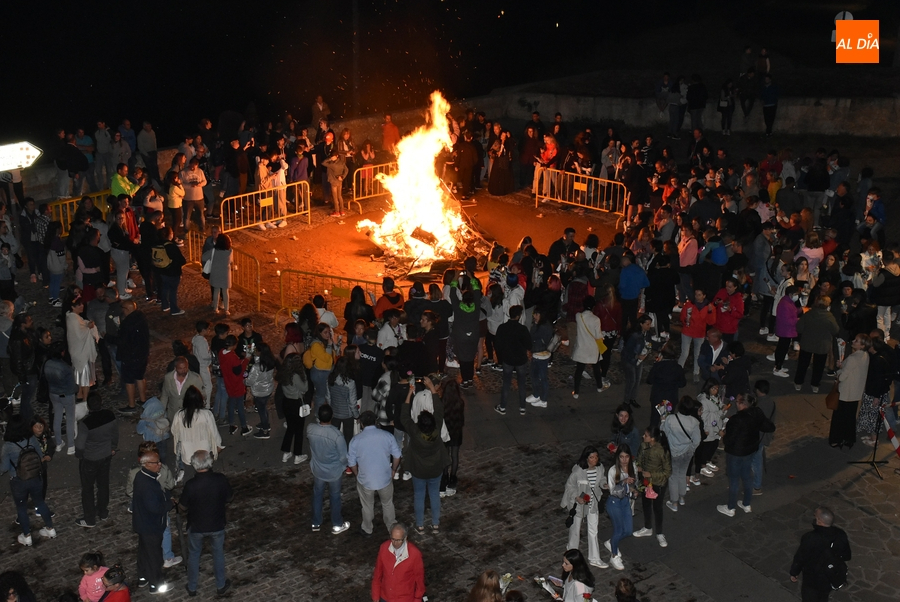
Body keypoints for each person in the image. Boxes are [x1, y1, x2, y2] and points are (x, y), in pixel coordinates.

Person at [179, 450, 233, 597]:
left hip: (196, 526)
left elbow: (183, 507)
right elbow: (229, 498)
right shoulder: (220, 479)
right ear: (210, 462)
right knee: (218, 553)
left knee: (194, 555)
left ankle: (192, 587)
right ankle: (221, 585)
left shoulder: (191, 485)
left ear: (194, 465)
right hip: (216, 524)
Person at [401, 376, 449, 534]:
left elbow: (404, 417)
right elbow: (439, 409)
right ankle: (435, 524)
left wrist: (409, 393)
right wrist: (433, 388)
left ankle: (420, 525)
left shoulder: (415, 433)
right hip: (435, 469)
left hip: (419, 470)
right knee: (434, 494)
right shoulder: (436, 429)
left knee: (419, 495)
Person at [0, 415, 56, 546]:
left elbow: (3, 467)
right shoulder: (31, 439)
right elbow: (40, 455)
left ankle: (27, 536)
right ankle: (50, 529)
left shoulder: (8, 446)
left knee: (21, 507)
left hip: (18, 480)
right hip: (35, 477)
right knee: (40, 502)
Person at [717, 394, 775, 517]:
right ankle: (746, 504)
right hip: (750, 450)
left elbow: (729, 440)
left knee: (734, 480)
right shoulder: (757, 412)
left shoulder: (736, 420)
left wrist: (723, 434)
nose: (736, 404)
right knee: (747, 476)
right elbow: (769, 427)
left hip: (736, 453)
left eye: (737, 401)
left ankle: (731, 507)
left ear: (742, 403)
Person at [349, 410, 401, 536]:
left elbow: (351, 463)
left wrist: (357, 474)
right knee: (387, 503)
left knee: (367, 506)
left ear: (361, 424)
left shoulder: (355, 440)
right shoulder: (387, 436)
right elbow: (397, 456)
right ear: (376, 421)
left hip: (365, 480)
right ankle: (391, 526)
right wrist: (393, 469)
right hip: (385, 478)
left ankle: (367, 528)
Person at [132, 449, 173, 594]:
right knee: (155, 556)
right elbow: (154, 508)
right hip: (151, 526)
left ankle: (143, 577)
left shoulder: (140, 476)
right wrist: (169, 504)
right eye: (156, 462)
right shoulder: (148, 484)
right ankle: (156, 584)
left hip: (142, 523)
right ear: (147, 464)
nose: (159, 464)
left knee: (144, 552)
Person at [789, 506, 852, 602]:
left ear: (819, 521)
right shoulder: (840, 534)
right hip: (829, 576)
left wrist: (794, 572)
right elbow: (847, 556)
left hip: (812, 578)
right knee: (823, 597)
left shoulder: (810, 538)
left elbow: (800, 557)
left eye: (816, 516)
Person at [74, 392, 117, 528]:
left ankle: (89, 519)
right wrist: (113, 447)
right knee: (103, 485)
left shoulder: (85, 423)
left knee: (87, 489)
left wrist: (80, 455)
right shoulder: (110, 416)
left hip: (90, 459)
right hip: (106, 455)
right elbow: (115, 434)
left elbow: (80, 445)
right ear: (101, 402)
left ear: (88, 406)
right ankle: (103, 512)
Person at [561, 446, 607, 569]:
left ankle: (594, 558)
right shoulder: (578, 471)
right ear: (586, 458)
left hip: (593, 503)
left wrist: (604, 484)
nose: (595, 459)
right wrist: (577, 496)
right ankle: (571, 553)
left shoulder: (600, 468)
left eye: (596, 457)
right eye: (592, 457)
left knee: (593, 529)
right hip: (579, 505)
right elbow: (570, 486)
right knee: (575, 530)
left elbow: (601, 479)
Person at [307, 404, 350, 533]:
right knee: (335, 496)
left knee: (317, 495)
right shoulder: (337, 435)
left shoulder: (310, 429)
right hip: (334, 472)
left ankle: (316, 522)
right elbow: (343, 457)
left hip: (318, 470)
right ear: (331, 416)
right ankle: (337, 523)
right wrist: (343, 466)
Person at [171, 386, 222, 483]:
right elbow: (214, 432)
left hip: (187, 451)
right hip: (204, 451)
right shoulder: (206, 414)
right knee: (206, 475)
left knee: (190, 477)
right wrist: (219, 445)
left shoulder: (179, 415)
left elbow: (174, 431)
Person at [660, 397, 702, 512]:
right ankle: (682, 497)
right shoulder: (694, 422)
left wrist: (663, 421)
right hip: (687, 452)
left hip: (673, 452)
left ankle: (674, 502)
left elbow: (664, 432)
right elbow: (697, 440)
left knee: (673, 477)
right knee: (682, 474)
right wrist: (691, 449)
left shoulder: (671, 419)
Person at [828, 334, 870, 448]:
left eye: (857, 340)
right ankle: (849, 439)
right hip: (855, 393)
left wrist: (839, 371)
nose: (853, 341)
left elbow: (842, 377)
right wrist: (843, 366)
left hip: (846, 392)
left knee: (839, 417)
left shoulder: (852, 358)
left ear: (862, 345)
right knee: (850, 417)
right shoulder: (865, 356)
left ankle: (836, 439)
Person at [794, 296, 840, 393]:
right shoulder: (829, 317)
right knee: (818, 366)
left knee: (803, 364)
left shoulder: (808, 314)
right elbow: (835, 330)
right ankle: (815, 384)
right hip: (822, 346)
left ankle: (798, 382)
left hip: (807, 343)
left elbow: (799, 328)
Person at [634, 426, 671, 544]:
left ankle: (659, 533)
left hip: (658, 483)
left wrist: (651, 474)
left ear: (653, 438)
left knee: (657, 507)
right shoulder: (644, 446)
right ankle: (647, 527)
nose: (643, 436)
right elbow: (639, 459)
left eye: (646, 435)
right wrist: (638, 466)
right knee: (646, 504)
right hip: (645, 482)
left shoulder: (661, 451)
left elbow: (667, 471)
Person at [371, 522, 425, 602]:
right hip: (385, 597)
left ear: (405, 538)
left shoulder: (414, 554)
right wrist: (375, 594)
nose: (395, 543)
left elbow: (419, 580)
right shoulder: (384, 548)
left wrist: (417, 599)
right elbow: (378, 573)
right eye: (393, 539)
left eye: (398, 540)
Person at [493, 305, 531, 416]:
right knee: (522, 383)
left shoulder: (502, 328)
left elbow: (497, 345)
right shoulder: (523, 329)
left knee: (506, 383)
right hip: (521, 360)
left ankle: (503, 406)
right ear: (518, 316)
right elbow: (529, 345)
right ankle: (522, 407)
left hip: (508, 359)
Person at [605, 444, 639, 570]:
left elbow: (633, 484)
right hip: (614, 502)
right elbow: (613, 490)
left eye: (626, 457)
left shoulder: (632, 467)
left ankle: (612, 541)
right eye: (621, 457)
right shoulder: (613, 470)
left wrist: (633, 490)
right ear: (618, 457)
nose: (624, 460)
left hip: (625, 501)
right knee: (618, 530)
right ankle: (614, 555)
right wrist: (623, 482)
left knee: (628, 531)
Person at [43, 341, 78, 454]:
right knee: (70, 418)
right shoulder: (65, 367)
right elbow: (72, 386)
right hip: (66, 394)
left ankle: (58, 443)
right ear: (62, 353)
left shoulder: (47, 363)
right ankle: (71, 446)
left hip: (53, 394)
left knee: (57, 416)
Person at [117, 299, 150, 413]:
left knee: (129, 380)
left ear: (128, 309)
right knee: (140, 377)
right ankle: (143, 399)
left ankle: (131, 405)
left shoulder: (128, 323)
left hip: (130, 356)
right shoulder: (141, 318)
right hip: (142, 354)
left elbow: (122, 340)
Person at [679, 289, 716, 383]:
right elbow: (682, 317)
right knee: (684, 353)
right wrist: (686, 321)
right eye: (696, 294)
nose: (697, 297)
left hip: (699, 333)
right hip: (688, 331)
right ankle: (677, 372)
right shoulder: (689, 305)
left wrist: (710, 312)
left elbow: (711, 322)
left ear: (704, 296)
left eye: (699, 295)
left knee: (697, 354)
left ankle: (696, 372)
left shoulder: (709, 307)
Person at [279, 353, 310, 464]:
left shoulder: (283, 373)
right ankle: (298, 454)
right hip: (296, 403)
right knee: (299, 430)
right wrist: (304, 376)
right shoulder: (296, 375)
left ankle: (286, 452)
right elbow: (305, 388)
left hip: (286, 402)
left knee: (290, 428)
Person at [571, 296, 604, 400]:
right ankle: (599, 386)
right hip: (592, 348)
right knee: (596, 368)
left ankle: (576, 391)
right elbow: (598, 335)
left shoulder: (578, 316)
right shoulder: (596, 320)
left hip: (581, 347)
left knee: (579, 370)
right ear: (593, 306)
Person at [303, 323, 339, 408]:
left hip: (327, 371)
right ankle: (318, 415)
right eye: (325, 332)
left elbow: (332, 356)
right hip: (319, 373)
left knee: (326, 393)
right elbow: (326, 358)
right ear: (319, 333)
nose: (328, 334)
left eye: (329, 332)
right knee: (321, 395)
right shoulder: (316, 345)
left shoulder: (325, 342)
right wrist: (330, 345)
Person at [621, 315, 653, 408]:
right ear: (641, 324)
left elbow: (649, 344)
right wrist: (637, 356)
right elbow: (627, 351)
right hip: (629, 360)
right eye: (647, 324)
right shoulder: (635, 336)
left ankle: (632, 398)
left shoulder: (646, 334)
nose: (649, 326)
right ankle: (626, 401)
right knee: (632, 380)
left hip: (639, 360)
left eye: (650, 324)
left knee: (637, 380)